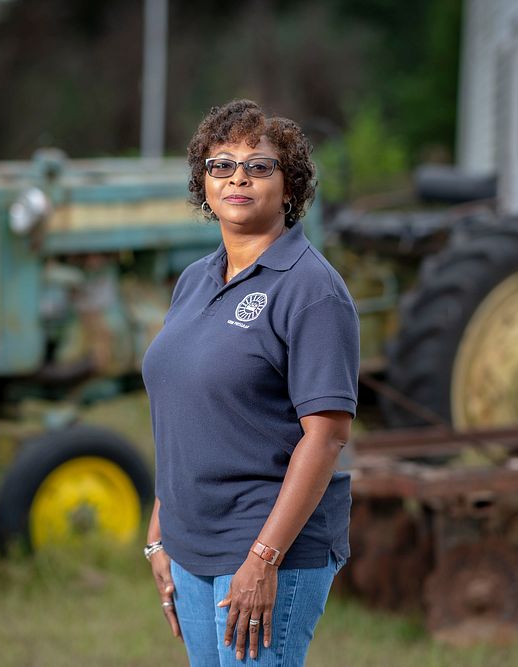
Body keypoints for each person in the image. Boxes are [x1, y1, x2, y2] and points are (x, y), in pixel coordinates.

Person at [141, 99, 359, 666]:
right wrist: (160, 532)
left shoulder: (312, 290)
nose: (238, 176)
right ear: (203, 184)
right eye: (221, 165)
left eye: (259, 166)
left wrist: (263, 560)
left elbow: (327, 436)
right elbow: (185, 407)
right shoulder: (194, 279)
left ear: (290, 188)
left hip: (267, 550)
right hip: (192, 545)